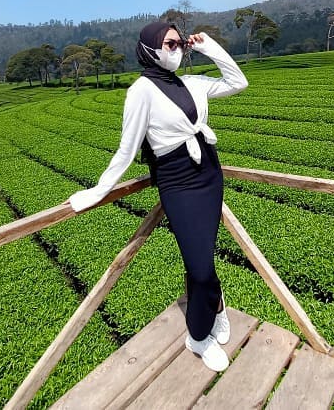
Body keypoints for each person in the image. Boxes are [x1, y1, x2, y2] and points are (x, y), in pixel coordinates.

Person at [67, 21, 248, 372]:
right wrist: (97, 192)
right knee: (199, 265)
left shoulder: (191, 82)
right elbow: (126, 149)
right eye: (169, 44)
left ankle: (215, 307)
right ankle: (198, 337)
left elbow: (238, 82)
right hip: (177, 181)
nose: (177, 49)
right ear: (150, 49)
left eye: (180, 43)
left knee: (204, 256)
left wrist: (208, 47)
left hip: (209, 173)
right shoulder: (141, 91)